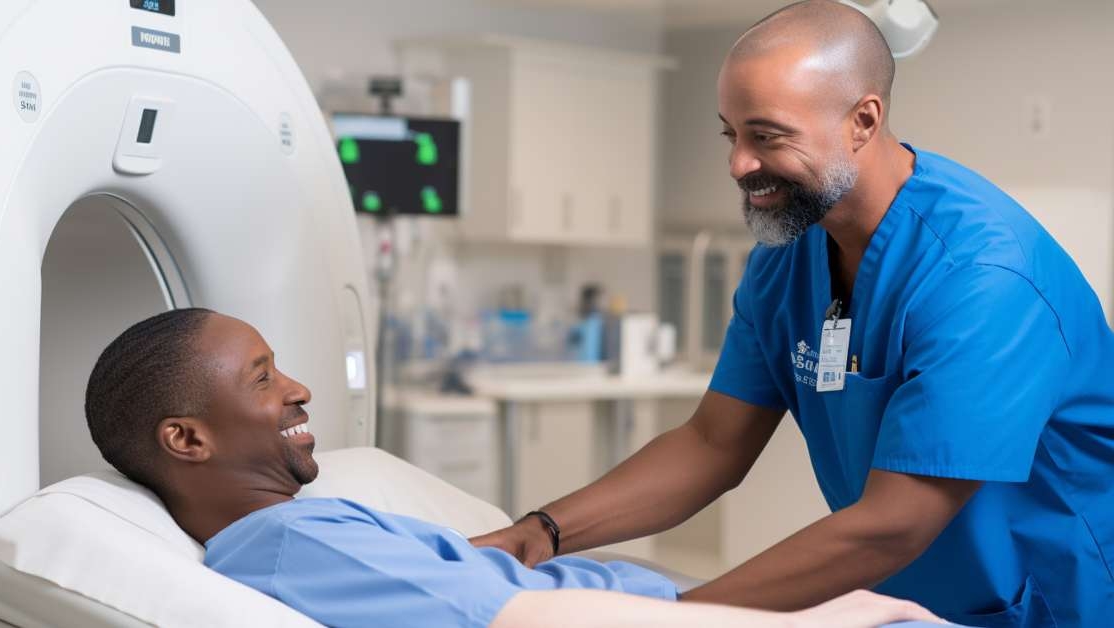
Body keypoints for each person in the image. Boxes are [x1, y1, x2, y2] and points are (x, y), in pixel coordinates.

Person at [472, 2, 1114, 627]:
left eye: (767, 136)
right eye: (731, 134)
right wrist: (545, 531)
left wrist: (675, 620)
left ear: (863, 121)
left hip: (1058, 601)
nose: (738, 164)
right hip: (904, 600)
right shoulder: (787, 257)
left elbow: (894, 525)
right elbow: (712, 443)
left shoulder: (982, 280)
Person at [83, 308, 940, 628]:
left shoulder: (305, 527)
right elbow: (528, 622)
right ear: (187, 440)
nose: (299, 389)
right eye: (264, 378)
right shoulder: (290, 544)